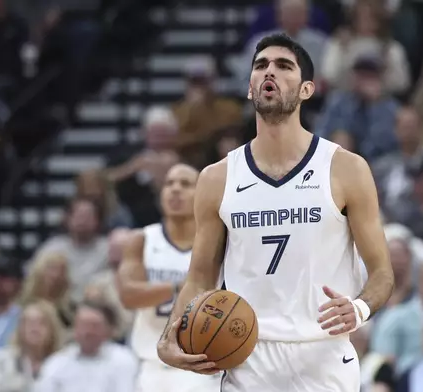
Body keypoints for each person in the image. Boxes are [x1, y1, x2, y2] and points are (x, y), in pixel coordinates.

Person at [157, 32, 394, 392]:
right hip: (246, 356)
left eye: (284, 66)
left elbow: (382, 273)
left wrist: (359, 309)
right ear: (250, 88)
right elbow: (199, 278)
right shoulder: (216, 178)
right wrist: (169, 336)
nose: (270, 72)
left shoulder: (345, 168)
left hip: (322, 355)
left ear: (306, 90)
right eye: (260, 66)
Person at [118, 164, 221, 392]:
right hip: (152, 367)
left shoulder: (218, 243)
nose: (175, 189)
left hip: (202, 367)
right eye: (169, 183)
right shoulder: (142, 239)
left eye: (185, 184)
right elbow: (128, 296)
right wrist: (183, 287)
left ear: (202, 193)